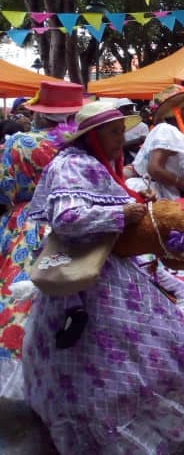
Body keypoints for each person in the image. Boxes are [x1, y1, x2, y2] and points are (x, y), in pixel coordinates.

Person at [22, 101, 184, 453]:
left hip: (113, 272)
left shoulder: (95, 162)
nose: (121, 139)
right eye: (113, 132)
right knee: (103, 354)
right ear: (91, 136)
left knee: (143, 343)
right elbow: (68, 218)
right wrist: (124, 213)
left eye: (122, 131)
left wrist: (135, 203)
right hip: (93, 280)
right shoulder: (73, 163)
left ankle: (127, 413)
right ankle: (106, 422)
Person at [0, 81, 83, 400]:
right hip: (71, 223)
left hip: (28, 225)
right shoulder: (80, 141)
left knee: (18, 293)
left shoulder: (19, 142)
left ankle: (26, 367)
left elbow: (6, 185)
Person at [130, 85, 184, 291]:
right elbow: (155, 168)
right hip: (159, 197)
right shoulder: (167, 131)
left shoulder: (172, 133)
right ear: (174, 112)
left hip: (166, 195)